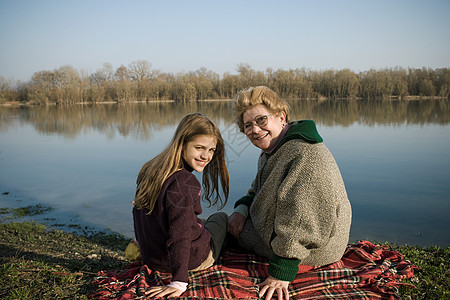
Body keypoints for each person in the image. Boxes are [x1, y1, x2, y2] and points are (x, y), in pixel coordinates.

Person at [227, 86, 352, 300]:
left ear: (281, 117)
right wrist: (241, 210)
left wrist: (281, 273)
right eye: (248, 126)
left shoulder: (305, 154)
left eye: (261, 120)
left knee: (217, 226)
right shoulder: (272, 150)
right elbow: (256, 189)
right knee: (226, 223)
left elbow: (303, 217)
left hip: (314, 249)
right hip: (281, 232)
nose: (255, 130)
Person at [133, 113, 229, 298]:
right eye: (199, 148)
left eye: (211, 150)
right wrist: (178, 281)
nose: (206, 156)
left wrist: (141, 242)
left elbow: (138, 211)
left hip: (153, 258)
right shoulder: (184, 182)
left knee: (196, 220)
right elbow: (180, 234)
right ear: (182, 143)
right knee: (220, 218)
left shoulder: (151, 168)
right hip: (191, 260)